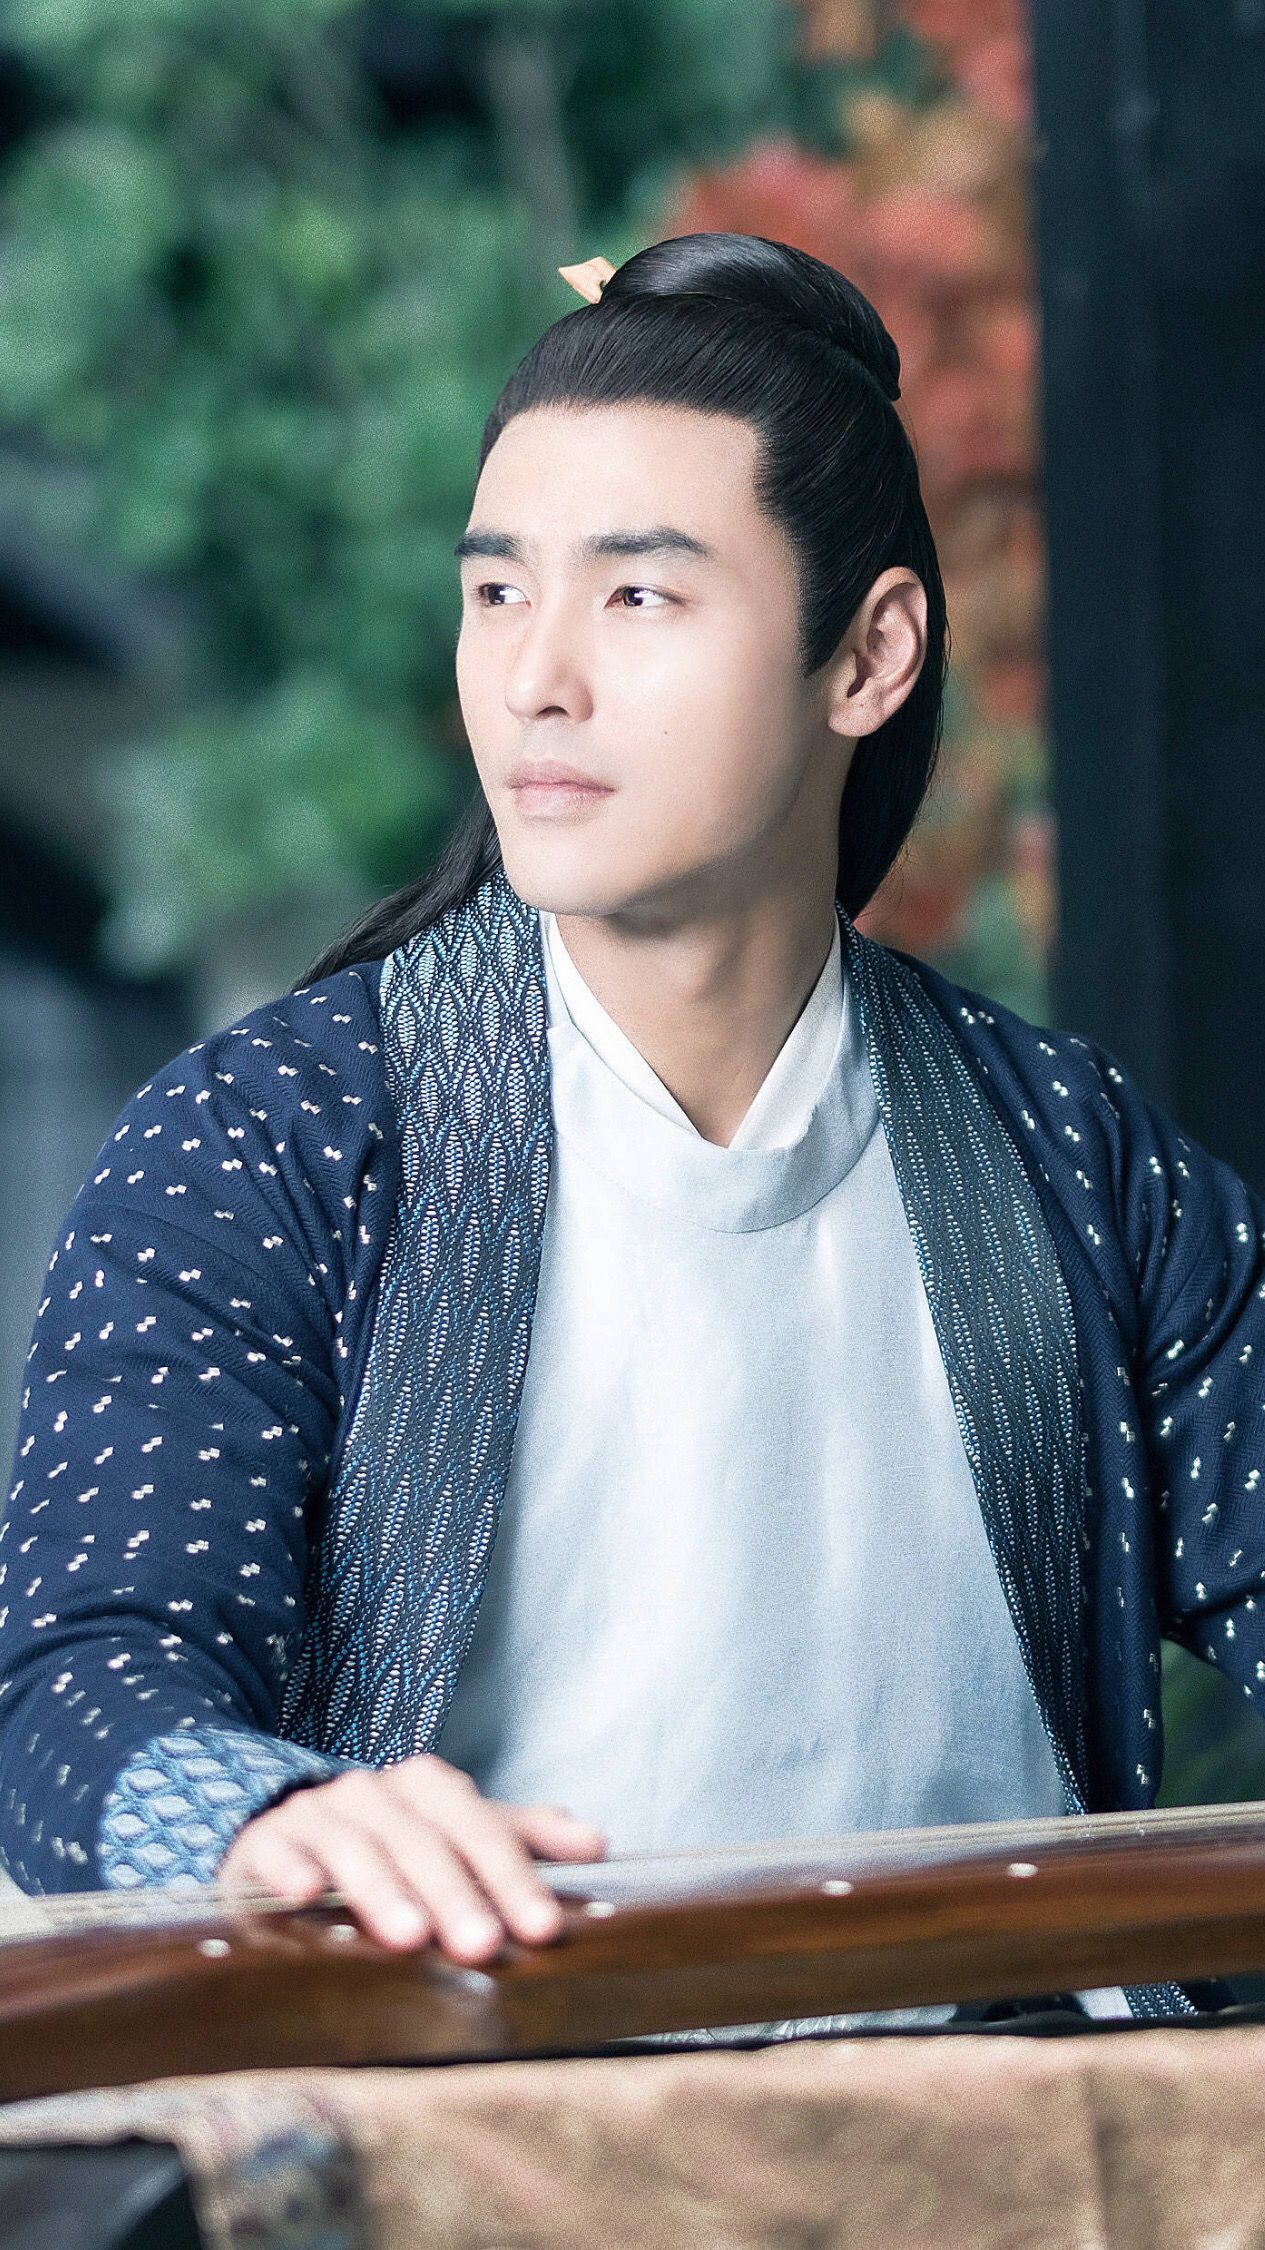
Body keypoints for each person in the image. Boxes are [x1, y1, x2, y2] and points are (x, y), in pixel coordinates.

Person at [1, 234, 1261, 2040]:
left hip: (1011, 2126)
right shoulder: (274, 1140)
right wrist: (270, 1817)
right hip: (502, 2127)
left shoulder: (1067, 1153)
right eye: (497, 591)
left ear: (868, 654)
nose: (536, 678)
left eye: (639, 596)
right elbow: (78, 1687)